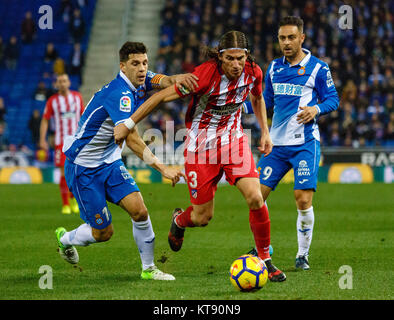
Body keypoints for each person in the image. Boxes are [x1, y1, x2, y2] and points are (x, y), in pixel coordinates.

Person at [114, 31, 287, 282]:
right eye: (230, 59)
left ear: (246, 56)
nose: (236, 64)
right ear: (220, 57)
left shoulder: (253, 71)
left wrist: (265, 133)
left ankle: (265, 259)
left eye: (240, 58)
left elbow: (258, 98)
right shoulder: (204, 75)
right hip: (201, 148)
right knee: (201, 217)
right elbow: (162, 96)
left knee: (255, 197)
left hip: (233, 141)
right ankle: (180, 221)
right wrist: (129, 123)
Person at [56, 41, 197, 281]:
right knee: (103, 233)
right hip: (83, 167)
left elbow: (162, 81)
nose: (142, 68)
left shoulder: (140, 79)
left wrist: (179, 78)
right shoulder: (119, 93)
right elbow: (130, 137)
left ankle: (149, 268)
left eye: (144, 63)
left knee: (140, 211)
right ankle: (65, 239)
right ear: (123, 66)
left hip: (109, 162)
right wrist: (163, 168)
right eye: (135, 64)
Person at [248, 16, 340, 270]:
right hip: (276, 145)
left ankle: (302, 255)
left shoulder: (318, 68)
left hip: (305, 143)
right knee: (255, 197)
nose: (286, 43)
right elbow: (263, 100)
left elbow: (333, 99)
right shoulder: (274, 68)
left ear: (302, 38)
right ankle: (263, 247)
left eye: (291, 37)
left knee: (302, 199)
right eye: (282, 38)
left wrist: (316, 109)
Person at [39, 73, 84, 215]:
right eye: (60, 81)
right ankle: (65, 204)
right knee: (64, 173)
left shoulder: (77, 97)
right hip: (61, 142)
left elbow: (84, 117)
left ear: (69, 82)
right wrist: (42, 139)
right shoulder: (52, 101)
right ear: (57, 85)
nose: (62, 83)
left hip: (76, 141)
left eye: (64, 80)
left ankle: (74, 199)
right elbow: (45, 119)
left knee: (77, 172)